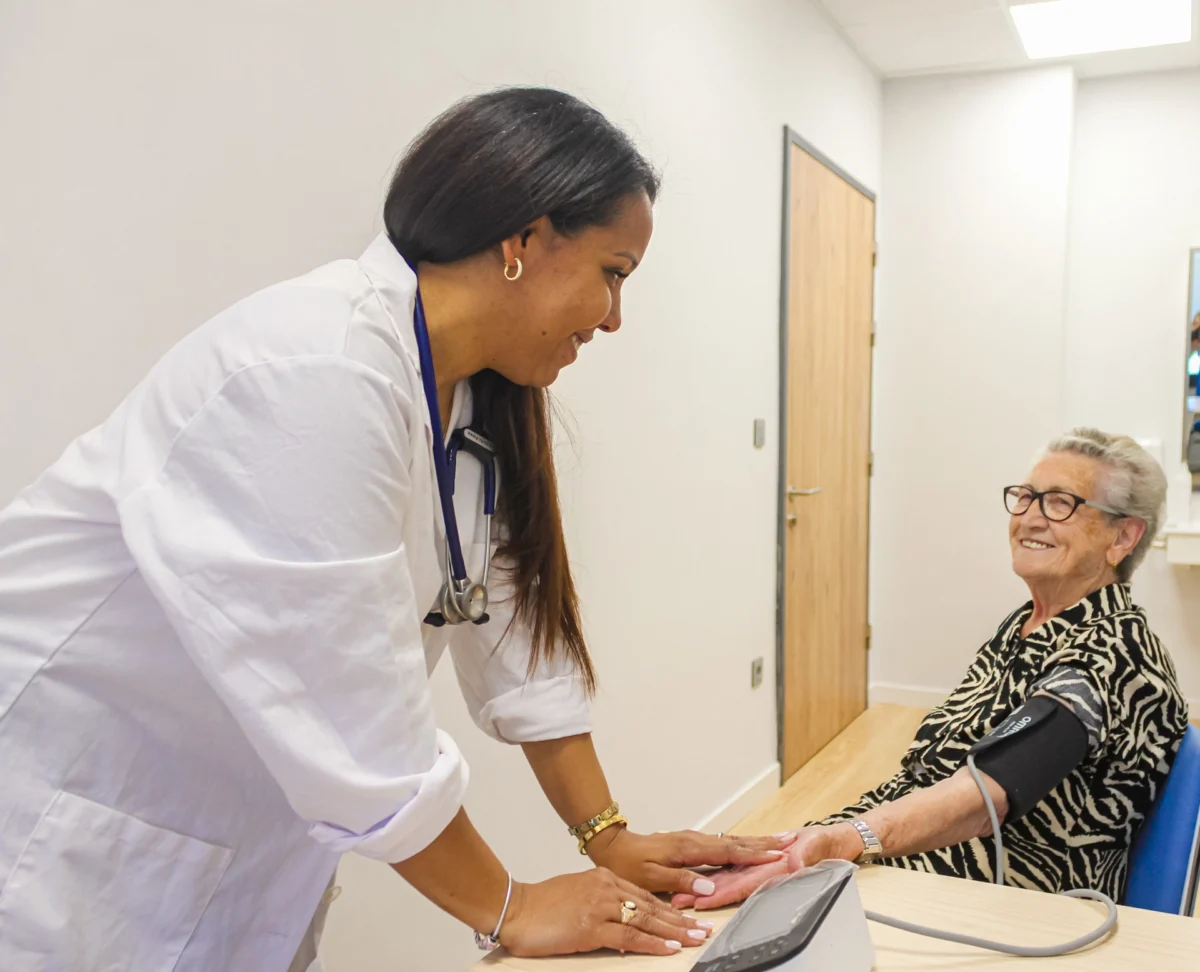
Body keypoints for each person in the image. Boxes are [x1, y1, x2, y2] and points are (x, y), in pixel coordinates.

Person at [0, 87, 793, 971]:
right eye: (614, 271)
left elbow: (516, 632)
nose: (613, 317)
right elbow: (352, 714)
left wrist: (605, 836)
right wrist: (510, 908)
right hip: (61, 819)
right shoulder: (318, 368)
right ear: (525, 240)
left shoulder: (463, 401)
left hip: (205, 843)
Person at [676, 429, 1189, 910]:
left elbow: (987, 793)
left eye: (1060, 503)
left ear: (1123, 537)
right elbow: (934, 770)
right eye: (1026, 497)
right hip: (925, 857)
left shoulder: (1112, 654)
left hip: (1013, 897)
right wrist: (800, 841)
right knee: (722, 890)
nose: (1030, 518)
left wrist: (844, 839)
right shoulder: (1028, 623)